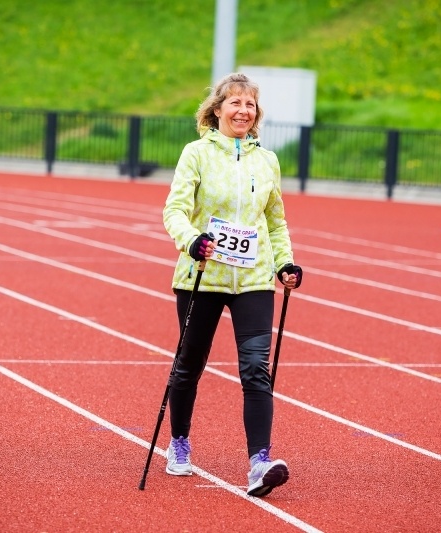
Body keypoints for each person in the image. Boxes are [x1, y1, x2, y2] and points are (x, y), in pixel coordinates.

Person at [162, 72, 303, 497]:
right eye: (236, 103)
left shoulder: (268, 161)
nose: (243, 111)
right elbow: (174, 211)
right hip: (202, 276)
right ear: (218, 109)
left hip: (254, 280)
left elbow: (276, 222)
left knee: (256, 369)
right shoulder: (196, 154)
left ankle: (260, 462)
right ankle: (179, 443)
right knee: (189, 364)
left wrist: (285, 263)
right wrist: (193, 241)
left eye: (250, 105)